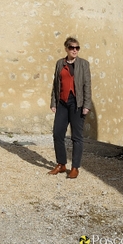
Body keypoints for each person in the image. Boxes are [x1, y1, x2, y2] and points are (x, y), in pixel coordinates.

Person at [48, 36, 92, 179]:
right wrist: (53, 102)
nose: (75, 50)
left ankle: (75, 167)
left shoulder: (84, 64)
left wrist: (86, 105)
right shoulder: (60, 63)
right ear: (66, 49)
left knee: (76, 137)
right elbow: (56, 84)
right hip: (62, 102)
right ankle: (61, 164)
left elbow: (87, 86)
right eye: (72, 48)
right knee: (57, 134)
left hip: (77, 103)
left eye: (77, 48)